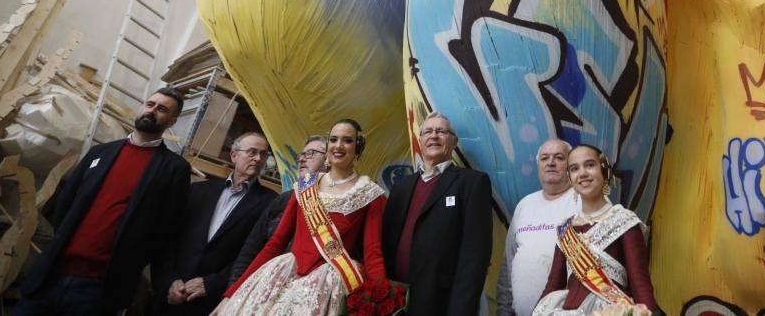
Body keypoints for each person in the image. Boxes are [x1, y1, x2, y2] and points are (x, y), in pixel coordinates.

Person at [15, 87, 191, 315]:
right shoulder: (100, 153)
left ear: (171, 121)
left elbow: (166, 229)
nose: (153, 111)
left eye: (162, 109)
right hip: (52, 273)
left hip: (99, 289)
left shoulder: (174, 169)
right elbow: (65, 203)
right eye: (150, 104)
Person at [213, 119, 386, 315]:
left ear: (358, 147)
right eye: (333, 139)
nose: (338, 146)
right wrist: (232, 293)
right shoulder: (305, 186)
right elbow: (275, 243)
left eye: (347, 140)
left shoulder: (369, 194)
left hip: (327, 283)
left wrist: (380, 303)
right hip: (282, 274)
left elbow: (373, 253)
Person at [382, 111, 493, 315]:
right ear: (420, 140)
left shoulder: (472, 182)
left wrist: (461, 309)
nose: (434, 136)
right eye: (428, 132)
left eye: (441, 131)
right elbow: (386, 243)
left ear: (454, 141)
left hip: (442, 302)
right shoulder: (401, 187)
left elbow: (475, 254)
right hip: (396, 300)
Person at [153, 131, 277, 315]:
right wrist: (169, 279)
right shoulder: (199, 190)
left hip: (213, 301)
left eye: (263, 154)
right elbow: (169, 238)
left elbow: (256, 254)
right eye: (252, 152)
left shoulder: (269, 202)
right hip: (171, 295)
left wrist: (212, 284)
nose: (258, 159)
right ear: (234, 156)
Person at [532, 145, 658, 315]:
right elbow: (553, 285)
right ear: (570, 178)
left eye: (590, 165)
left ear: (604, 171)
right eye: (574, 168)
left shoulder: (624, 220)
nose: (582, 173)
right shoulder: (565, 229)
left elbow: (640, 283)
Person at [227, 134, 329, 285]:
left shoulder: (343, 205)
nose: (301, 159)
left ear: (330, 160)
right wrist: (234, 288)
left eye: (310, 154)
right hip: (263, 287)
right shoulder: (283, 200)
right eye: (302, 154)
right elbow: (252, 249)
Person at [497, 139, 578, 316]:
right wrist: (503, 310)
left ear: (570, 165)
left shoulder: (582, 202)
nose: (550, 162)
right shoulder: (525, 205)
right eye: (544, 158)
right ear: (538, 165)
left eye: (559, 157)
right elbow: (509, 264)